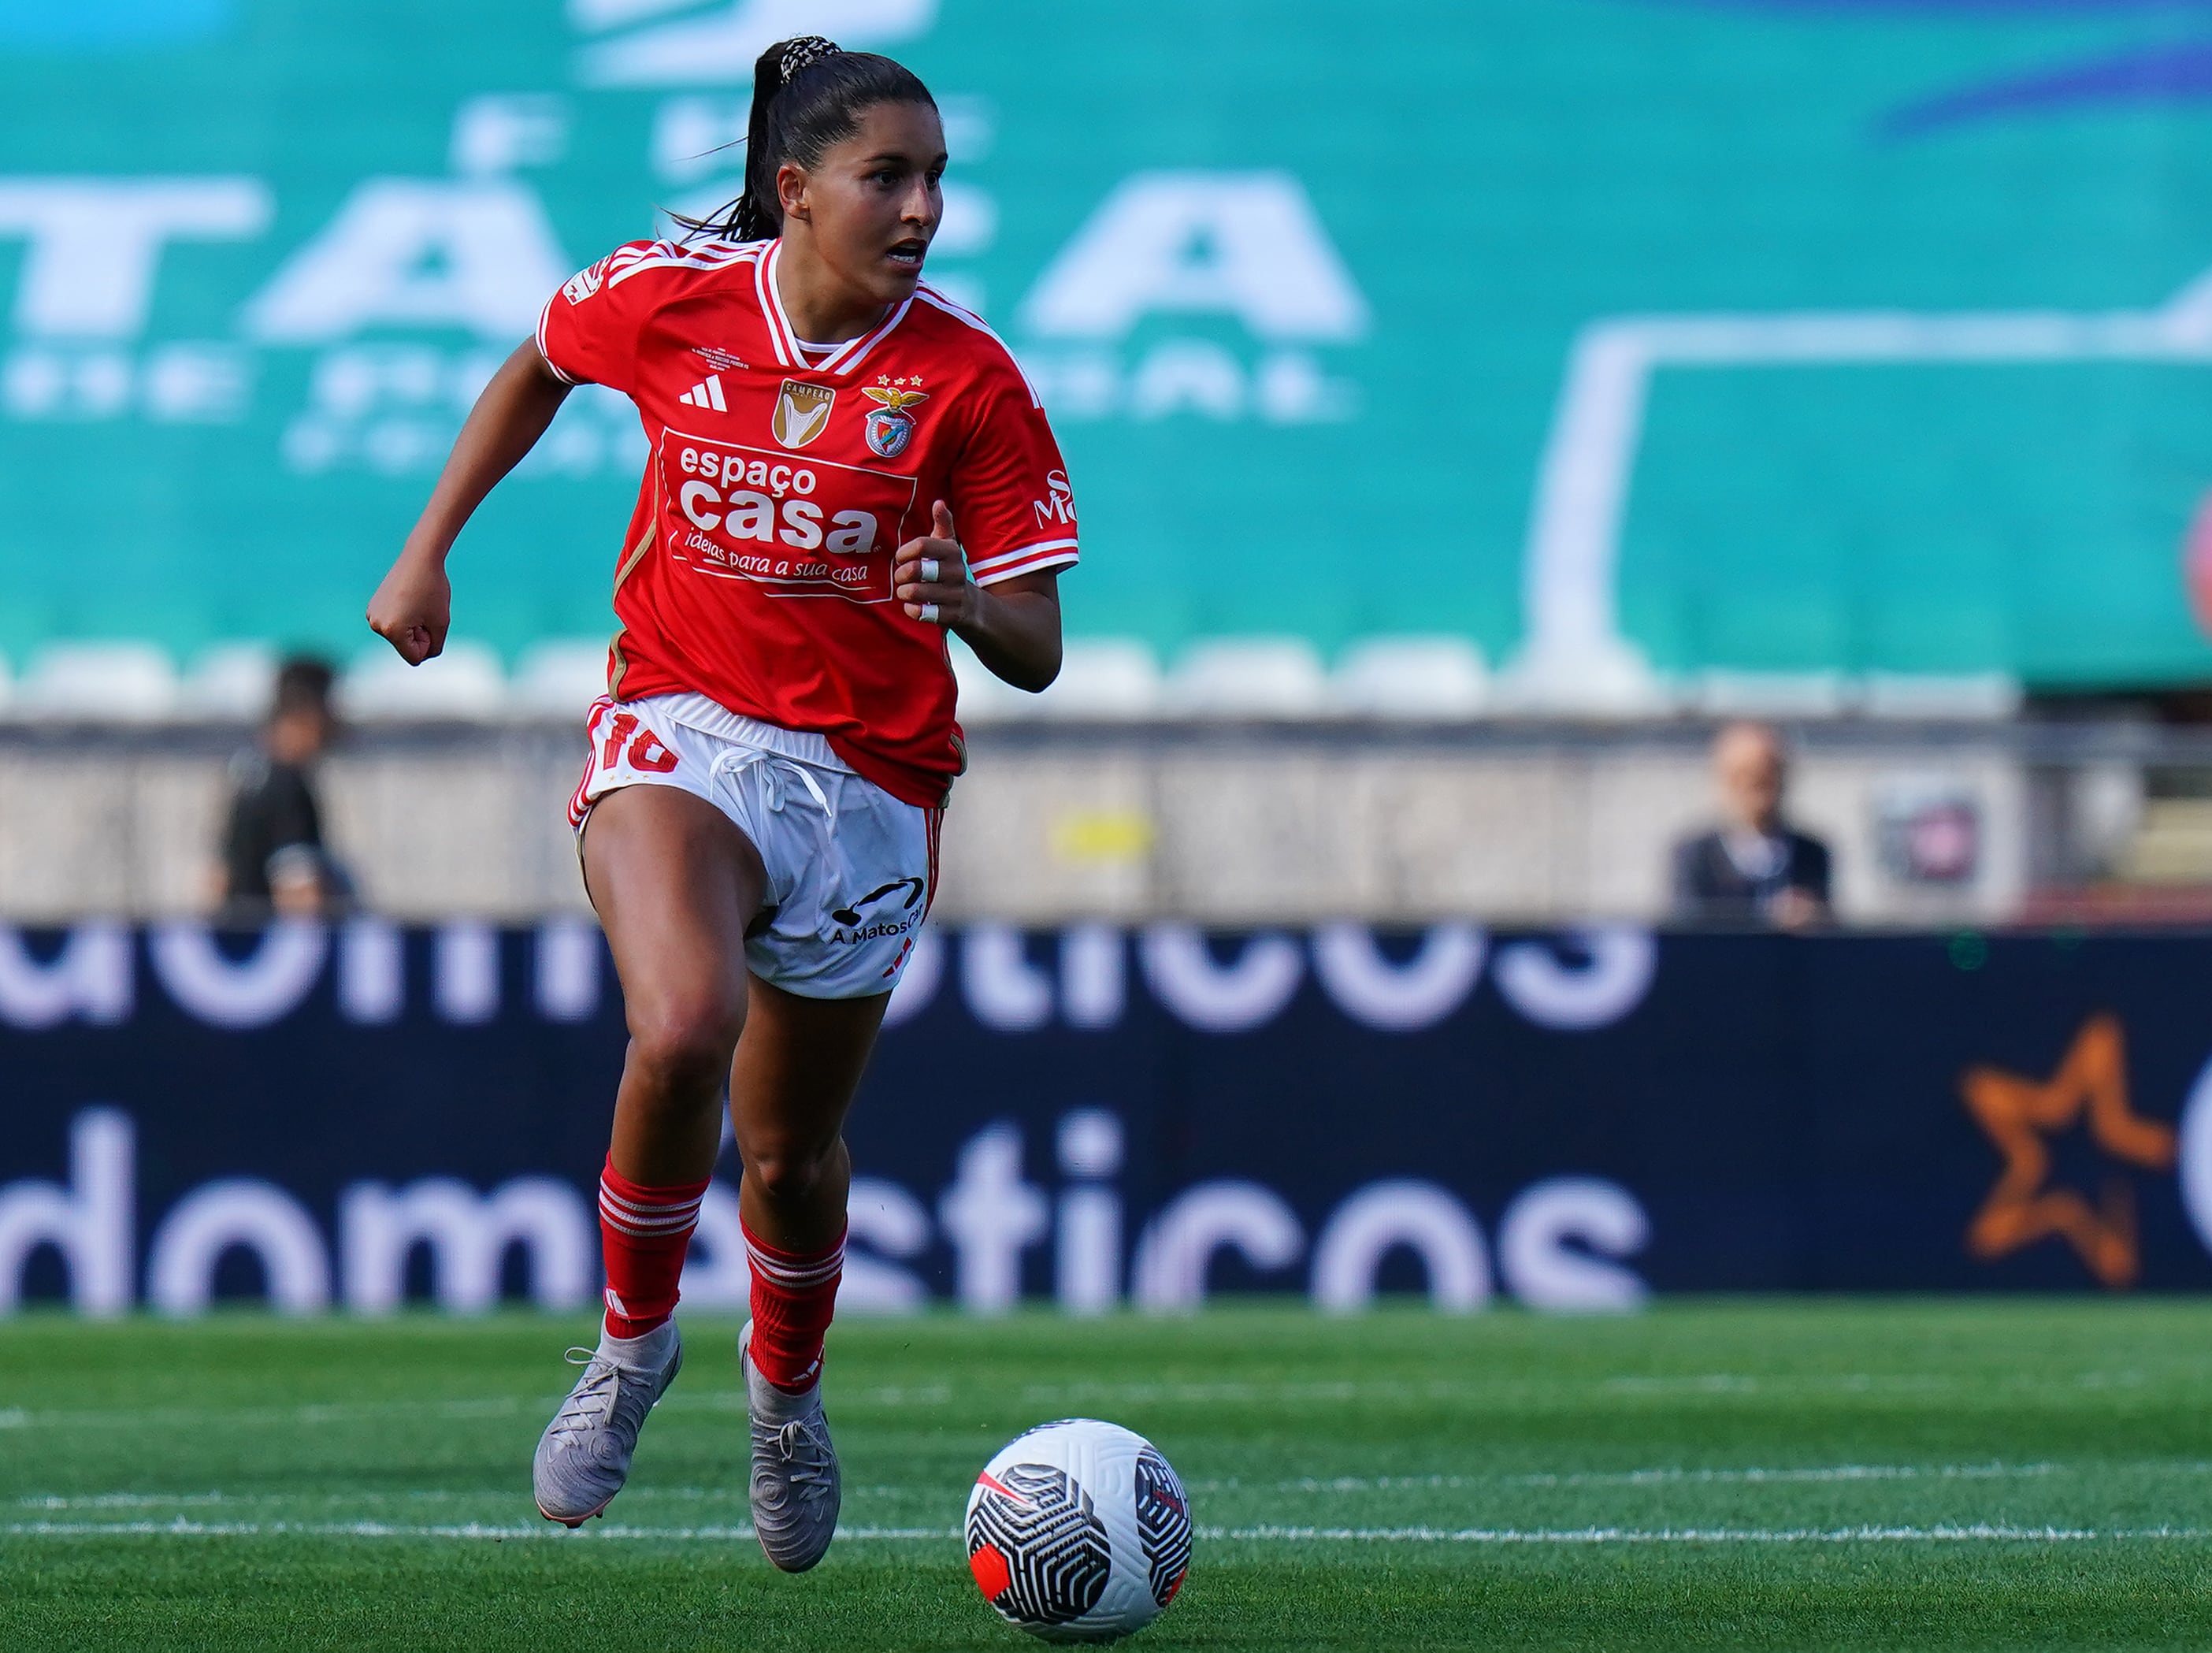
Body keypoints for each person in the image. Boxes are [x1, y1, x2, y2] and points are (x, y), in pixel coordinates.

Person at [366, 37, 1073, 1571]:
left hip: (870, 782)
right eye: (889, 175)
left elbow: (1038, 644)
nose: (923, 208)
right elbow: (534, 365)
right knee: (680, 1024)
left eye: (938, 178)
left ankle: (787, 1395)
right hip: (681, 718)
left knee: (788, 1155)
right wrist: (429, 550)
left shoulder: (967, 381)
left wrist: (962, 596)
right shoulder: (671, 296)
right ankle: (629, 1347)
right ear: (799, 189)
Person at [213, 655, 350, 920]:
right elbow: (298, 893)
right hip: (275, 947)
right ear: (312, 714)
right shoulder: (288, 786)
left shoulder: (248, 772)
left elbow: (218, 879)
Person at [1671, 720, 1832, 929]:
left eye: (1767, 779)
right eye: (1745, 778)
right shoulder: (1696, 856)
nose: (1758, 792)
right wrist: (1766, 918)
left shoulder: (1811, 854)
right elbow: (1690, 928)